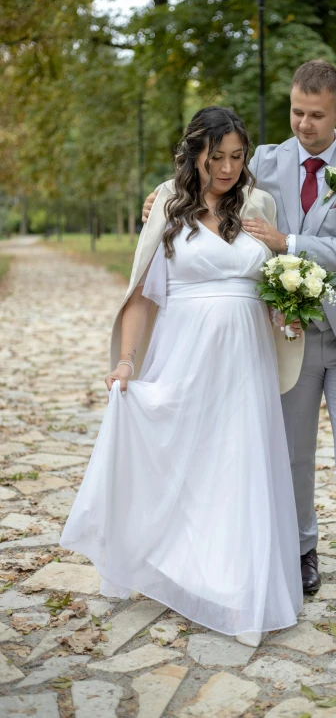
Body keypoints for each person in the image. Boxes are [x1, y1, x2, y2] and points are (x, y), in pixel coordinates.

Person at [143, 61, 336, 613]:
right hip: (288, 336)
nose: (303, 124)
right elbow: (209, 175)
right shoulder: (264, 159)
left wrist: (289, 240)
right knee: (292, 454)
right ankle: (301, 553)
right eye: (295, 112)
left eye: (316, 115)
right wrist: (158, 198)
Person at [60, 106, 305, 648]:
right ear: (194, 153)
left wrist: (289, 308)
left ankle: (242, 591)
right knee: (190, 460)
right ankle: (178, 564)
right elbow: (142, 295)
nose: (227, 168)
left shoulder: (258, 204)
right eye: (216, 156)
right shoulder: (167, 204)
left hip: (247, 360)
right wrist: (126, 363)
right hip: (188, 353)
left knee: (240, 463)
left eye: (237, 157)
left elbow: (273, 285)